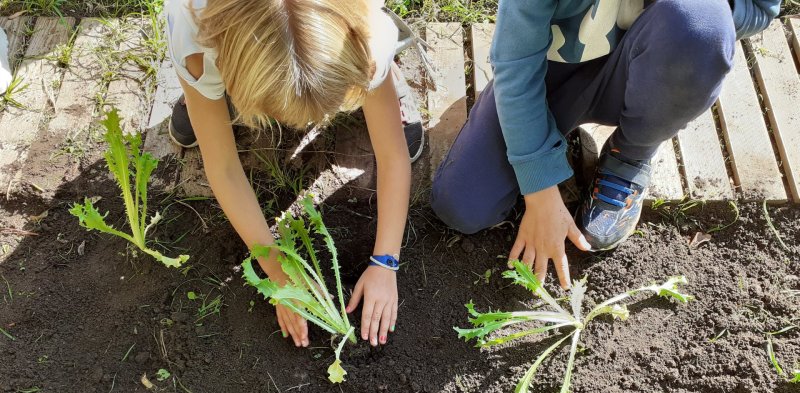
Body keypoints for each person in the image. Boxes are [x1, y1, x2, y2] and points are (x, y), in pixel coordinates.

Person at [431, 0, 781, 289]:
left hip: (649, 68)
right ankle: (548, 132)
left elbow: (761, 10)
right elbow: (517, 68)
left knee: (700, 23)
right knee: (463, 204)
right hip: (552, 70)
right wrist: (540, 189)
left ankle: (629, 155)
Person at [164, 0, 426, 348]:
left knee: (376, 80)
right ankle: (204, 90)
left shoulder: (365, 35)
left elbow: (393, 155)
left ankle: (387, 76)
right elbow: (224, 167)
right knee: (201, 79)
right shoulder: (191, 25)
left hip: (357, 41)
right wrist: (278, 274)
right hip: (215, 47)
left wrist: (386, 262)